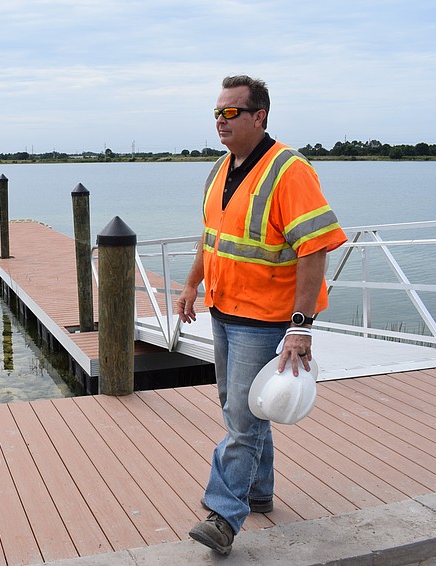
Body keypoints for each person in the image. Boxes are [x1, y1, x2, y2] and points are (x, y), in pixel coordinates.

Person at [177, 75, 347, 556]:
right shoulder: (218, 170)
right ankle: (258, 491)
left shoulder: (289, 170)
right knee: (243, 404)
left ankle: (223, 516)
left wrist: (301, 325)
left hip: (267, 317)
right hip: (225, 308)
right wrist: (192, 284)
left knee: (241, 419)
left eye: (231, 112)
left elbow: (314, 251)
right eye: (217, 111)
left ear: (259, 116)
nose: (220, 120)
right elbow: (210, 237)